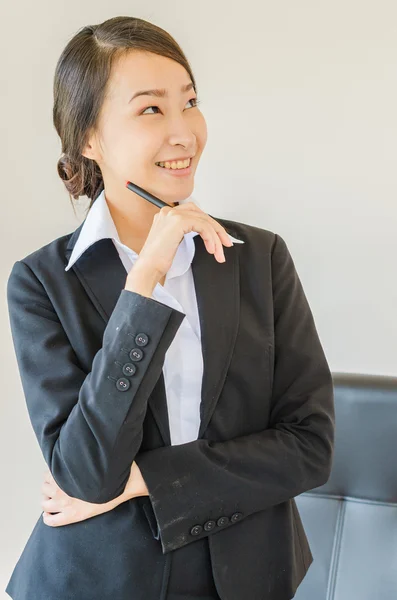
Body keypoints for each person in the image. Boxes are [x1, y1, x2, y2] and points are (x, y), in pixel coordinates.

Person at [5, 15, 335, 600]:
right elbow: (85, 474)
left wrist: (146, 482)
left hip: (250, 575)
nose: (185, 132)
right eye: (151, 110)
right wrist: (146, 280)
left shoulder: (257, 257)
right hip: (101, 581)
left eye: (190, 102)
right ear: (88, 137)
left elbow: (309, 448)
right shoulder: (41, 282)